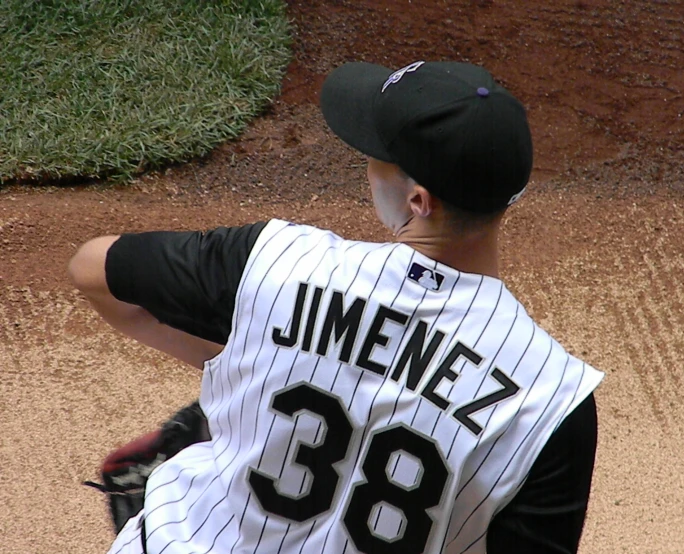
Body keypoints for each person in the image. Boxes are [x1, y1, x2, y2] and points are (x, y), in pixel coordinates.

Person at [69, 60, 604, 554]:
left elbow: (92, 269)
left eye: (377, 156)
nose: (367, 167)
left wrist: (237, 366)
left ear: (418, 201)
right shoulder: (550, 400)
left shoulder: (274, 263)